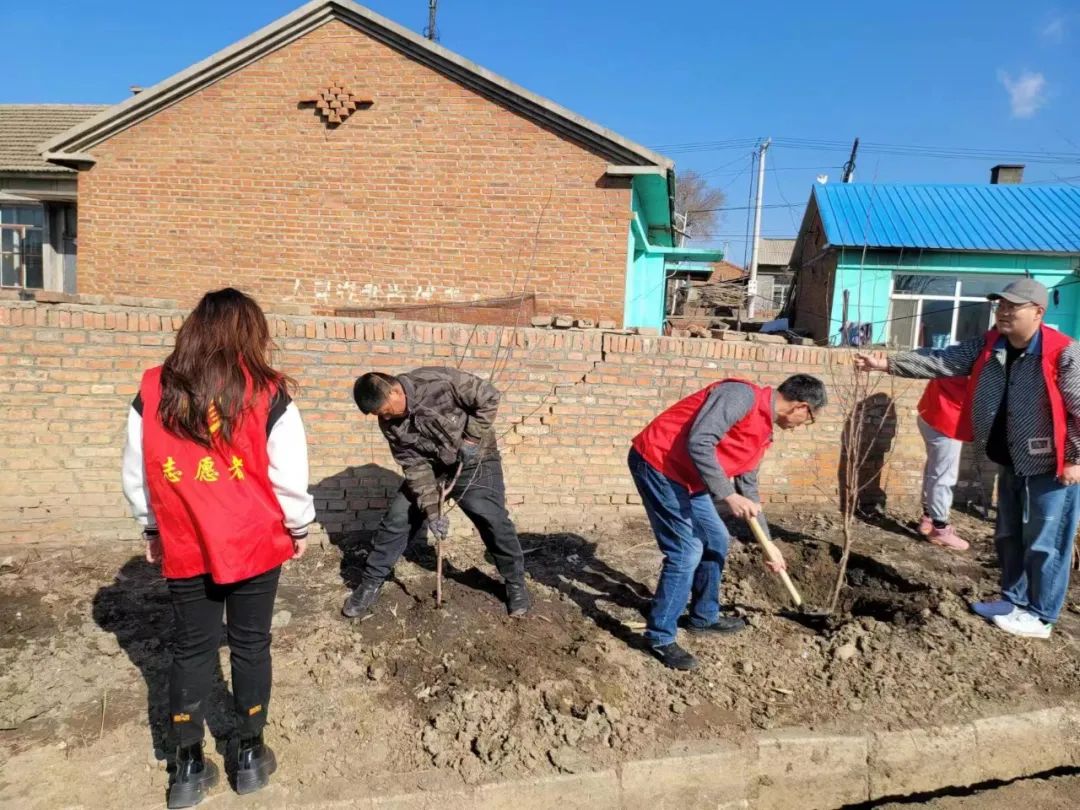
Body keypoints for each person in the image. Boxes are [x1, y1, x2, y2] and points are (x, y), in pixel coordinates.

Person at [121, 288, 315, 808]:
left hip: (186, 540)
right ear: (251, 333)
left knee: (191, 648)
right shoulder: (267, 391)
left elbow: (138, 470)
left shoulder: (154, 387)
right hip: (254, 540)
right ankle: (249, 755)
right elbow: (288, 473)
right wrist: (298, 527)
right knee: (251, 644)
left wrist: (151, 529)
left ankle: (186, 768)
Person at [856, 278, 1080, 639]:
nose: (1003, 312)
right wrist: (887, 363)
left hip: (1053, 466)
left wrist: (1075, 458)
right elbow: (942, 360)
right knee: (1009, 535)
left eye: (1012, 306)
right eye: (1000, 305)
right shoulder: (990, 345)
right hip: (1011, 458)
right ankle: (1013, 601)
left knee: (1046, 542)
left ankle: (1041, 616)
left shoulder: (1063, 352)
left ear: (1038, 312)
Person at [629, 373, 827, 671]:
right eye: (808, 420)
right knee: (686, 550)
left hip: (690, 478)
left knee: (716, 539)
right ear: (801, 406)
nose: (802, 426)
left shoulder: (763, 432)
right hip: (659, 463)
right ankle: (659, 637)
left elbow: (748, 488)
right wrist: (727, 495)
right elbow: (700, 441)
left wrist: (769, 544)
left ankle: (703, 617)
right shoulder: (740, 396)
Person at [342, 367, 530, 619]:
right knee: (397, 518)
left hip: (475, 461)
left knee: (492, 519)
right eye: (379, 415)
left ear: (394, 391)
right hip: (433, 468)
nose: (384, 417)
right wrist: (432, 511)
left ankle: (515, 583)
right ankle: (370, 583)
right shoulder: (389, 423)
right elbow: (414, 466)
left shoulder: (436, 382)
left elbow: (489, 396)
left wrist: (471, 439)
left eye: (385, 410)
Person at [915, 377, 970, 550]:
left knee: (935, 468)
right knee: (944, 475)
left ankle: (929, 517)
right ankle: (940, 528)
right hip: (948, 418)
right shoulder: (975, 362)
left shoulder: (952, 359)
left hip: (931, 410)